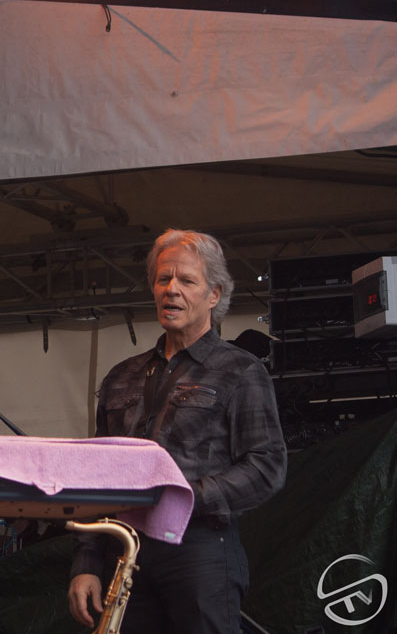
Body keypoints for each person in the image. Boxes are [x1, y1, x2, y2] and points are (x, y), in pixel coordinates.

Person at [67, 229, 287, 633]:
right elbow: (96, 476)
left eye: (187, 280)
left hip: (201, 548)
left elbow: (266, 466)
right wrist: (86, 563)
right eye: (163, 279)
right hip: (125, 551)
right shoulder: (122, 375)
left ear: (214, 295)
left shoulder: (241, 370)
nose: (172, 289)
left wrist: (182, 498)